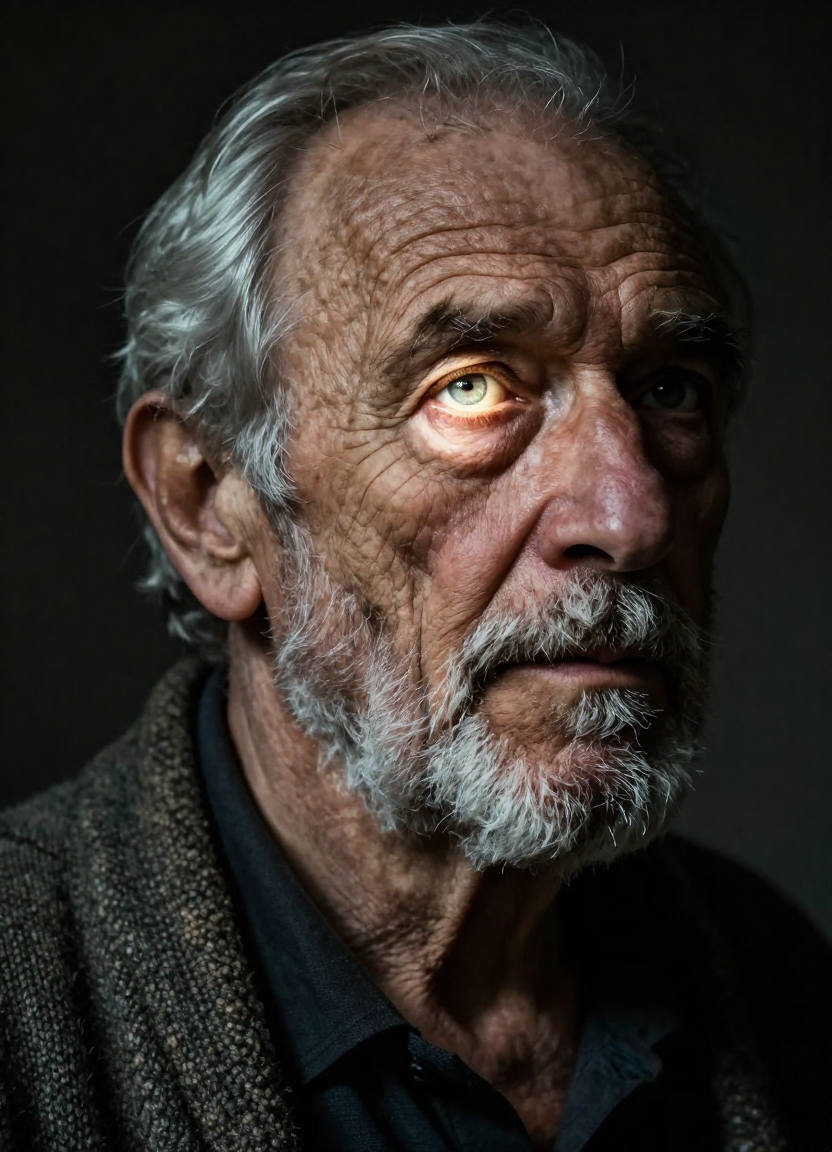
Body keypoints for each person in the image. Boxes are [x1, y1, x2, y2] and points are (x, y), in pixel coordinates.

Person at [0, 20, 828, 1152]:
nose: (629, 517)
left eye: (671, 389)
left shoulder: (774, 978)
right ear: (208, 504)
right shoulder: (22, 996)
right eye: (473, 388)